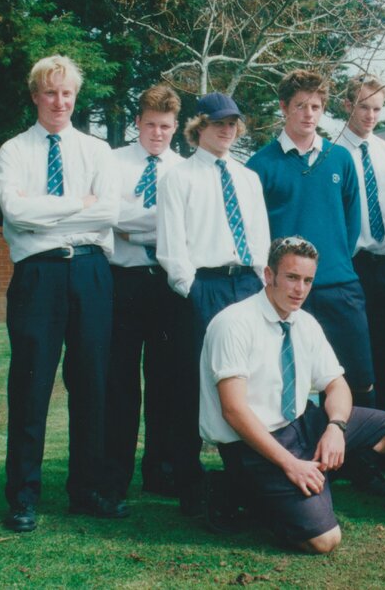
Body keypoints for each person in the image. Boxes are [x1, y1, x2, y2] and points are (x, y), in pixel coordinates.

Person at [199, 236, 385, 554]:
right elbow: (234, 411)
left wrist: (336, 428)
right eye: (292, 277)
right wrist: (291, 464)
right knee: (324, 540)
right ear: (269, 275)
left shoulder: (303, 322)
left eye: (308, 280)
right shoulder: (234, 324)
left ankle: (303, 486)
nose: (300, 289)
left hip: (300, 424)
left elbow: (336, 385)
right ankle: (238, 491)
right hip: (253, 441)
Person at [0, 55, 121, 532]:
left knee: (92, 384)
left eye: (67, 93)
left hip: (90, 274)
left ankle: (86, 490)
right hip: (38, 277)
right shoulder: (13, 151)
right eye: (50, 92)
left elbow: (107, 213)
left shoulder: (97, 151)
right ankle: (23, 497)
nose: (59, 101)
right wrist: (78, 204)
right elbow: (15, 210)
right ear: (35, 96)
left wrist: (46, 211)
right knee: (30, 387)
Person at [157, 92, 270, 514]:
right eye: (220, 122)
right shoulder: (179, 178)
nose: (228, 130)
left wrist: (261, 284)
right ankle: (188, 481)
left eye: (233, 123)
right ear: (199, 125)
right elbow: (171, 247)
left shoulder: (247, 178)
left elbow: (259, 237)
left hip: (247, 284)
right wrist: (194, 291)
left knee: (248, 382)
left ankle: (247, 475)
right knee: (195, 384)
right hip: (204, 287)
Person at [246, 71, 375, 408]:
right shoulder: (260, 165)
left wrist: (333, 262)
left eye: (316, 106)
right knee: (283, 379)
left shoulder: (341, 159)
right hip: (284, 291)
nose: (308, 113)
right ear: (283, 107)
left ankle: (358, 455)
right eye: (300, 105)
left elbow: (350, 224)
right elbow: (255, 231)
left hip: (338, 284)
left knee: (357, 377)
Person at [105, 84, 185, 502]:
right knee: (119, 383)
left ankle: (161, 470)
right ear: (137, 122)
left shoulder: (184, 169)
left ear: (176, 128)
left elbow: (183, 225)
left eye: (166, 127)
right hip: (124, 281)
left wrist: (134, 222)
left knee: (165, 383)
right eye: (151, 124)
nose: (157, 133)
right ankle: (113, 474)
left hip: (167, 283)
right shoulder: (114, 162)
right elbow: (111, 216)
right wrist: (161, 222)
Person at [334, 74, 385, 414]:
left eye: (377, 108)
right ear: (347, 106)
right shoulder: (330, 151)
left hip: (384, 264)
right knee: (353, 360)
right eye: (363, 107)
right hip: (350, 264)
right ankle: (355, 435)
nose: (371, 115)